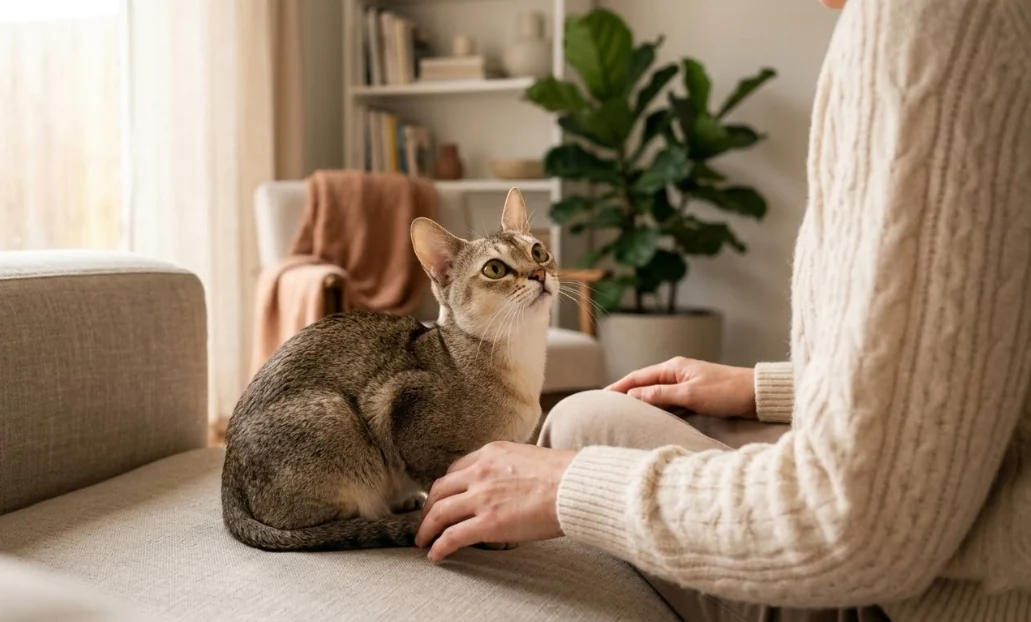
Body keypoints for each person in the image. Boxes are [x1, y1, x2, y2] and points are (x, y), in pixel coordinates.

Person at [413, 0, 1031, 619]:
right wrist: (766, 388)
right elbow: (984, 359)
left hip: (933, 596)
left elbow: (866, 523)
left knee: (582, 422)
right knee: (610, 413)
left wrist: (568, 487)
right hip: (966, 509)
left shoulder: (932, 23)